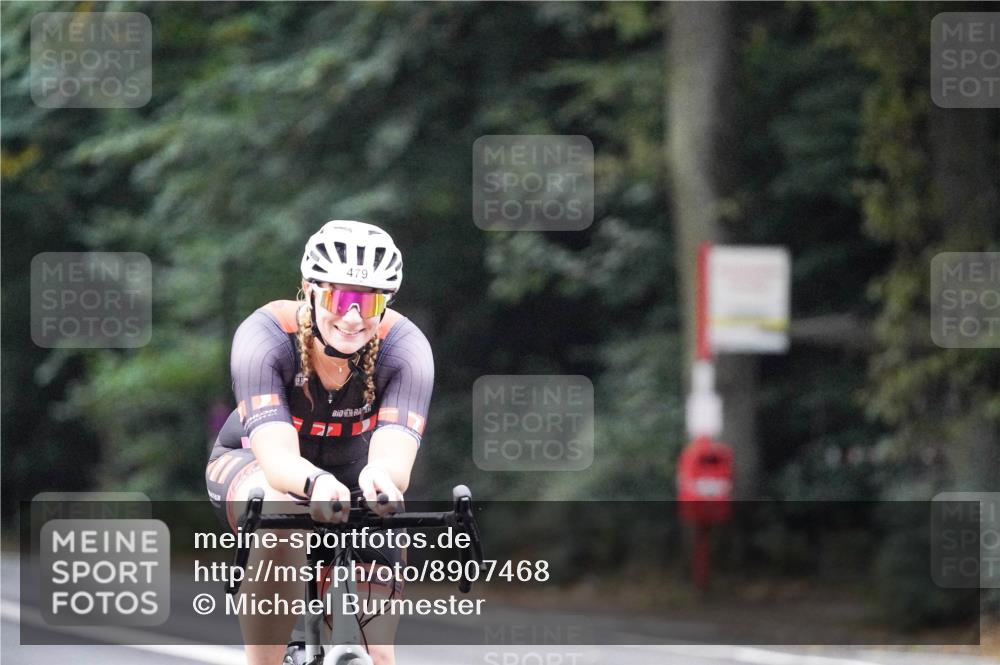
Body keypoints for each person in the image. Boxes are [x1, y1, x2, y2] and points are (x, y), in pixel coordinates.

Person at [205, 220, 434, 665]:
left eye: (369, 302)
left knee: (380, 656)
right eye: (340, 298)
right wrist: (314, 483)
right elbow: (278, 461)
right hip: (253, 463)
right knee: (282, 505)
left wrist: (379, 478)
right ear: (310, 290)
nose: (352, 317)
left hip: (351, 474)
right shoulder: (267, 336)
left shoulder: (405, 348)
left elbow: (392, 464)